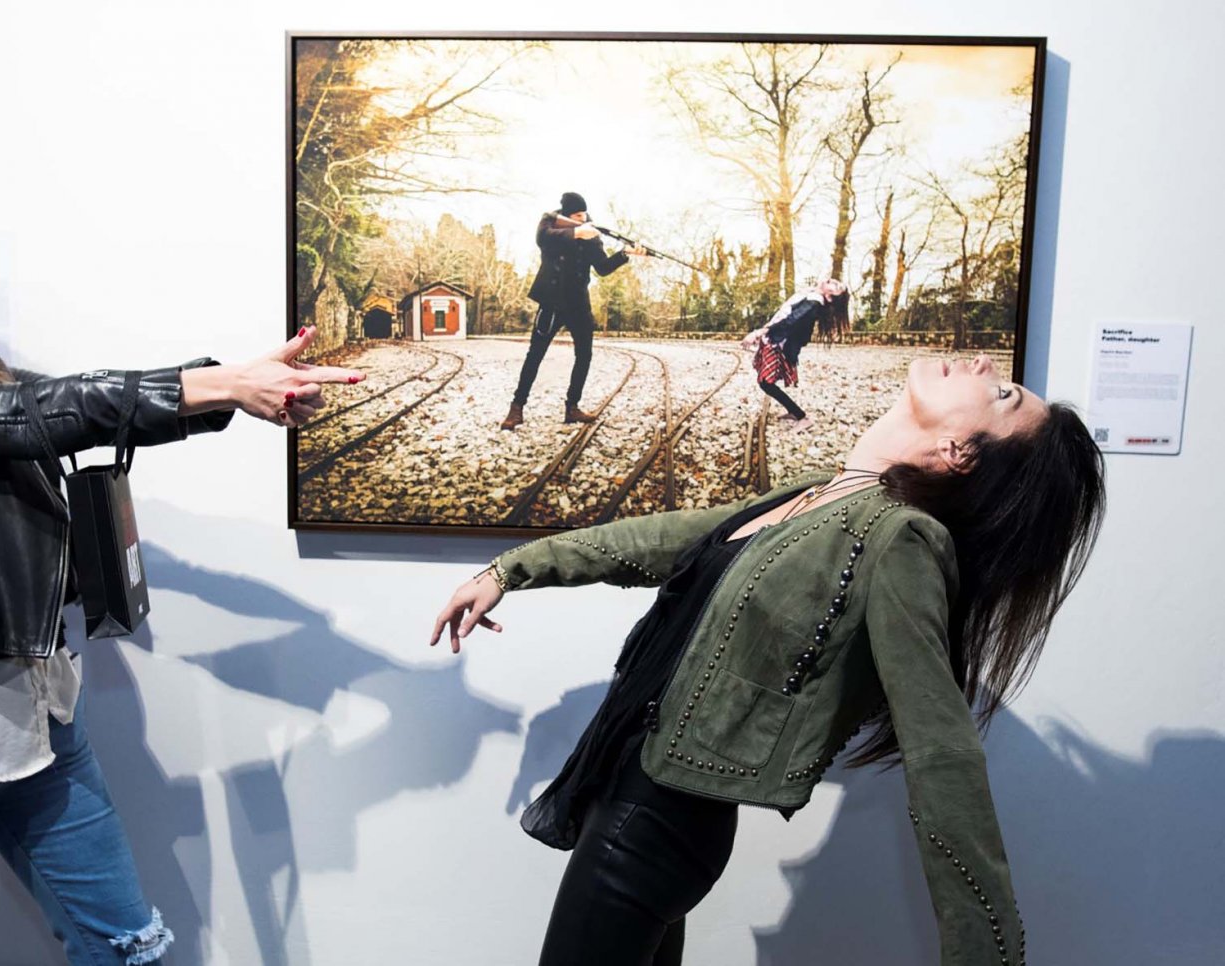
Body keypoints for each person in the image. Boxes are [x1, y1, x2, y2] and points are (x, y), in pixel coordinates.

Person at [0, 168, 364, 965]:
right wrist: (221, 383)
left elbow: (65, 403)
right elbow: (30, 416)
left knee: (126, 949)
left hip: (40, 716)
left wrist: (231, 388)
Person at [433, 352, 1106, 966]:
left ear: (958, 450)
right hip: (626, 791)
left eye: (1003, 393)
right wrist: (509, 570)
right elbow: (659, 541)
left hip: (654, 828)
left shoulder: (901, 538)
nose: (986, 364)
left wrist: (985, 951)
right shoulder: (819, 492)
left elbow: (942, 751)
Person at [501, 191, 645, 431]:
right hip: (552, 301)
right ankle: (516, 408)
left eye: (584, 214)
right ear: (567, 214)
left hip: (578, 303)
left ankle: (572, 407)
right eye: (577, 215)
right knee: (535, 354)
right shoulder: (550, 222)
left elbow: (602, 268)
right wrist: (577, 232)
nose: (583, 218)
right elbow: (543, 238)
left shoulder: (591, 234)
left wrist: (625, 254)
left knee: (584, 355)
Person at [741, 278, 851, 432]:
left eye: (836, 285)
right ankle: (794, 412)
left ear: (830, 297)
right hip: (777, 339)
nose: (831, 280)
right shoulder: (811, 295)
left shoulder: (813, 304)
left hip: (780, 344)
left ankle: (802, 418)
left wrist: (758, 332)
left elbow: (789, 321)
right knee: (765, 382)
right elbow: (783, 315)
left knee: (766, 382)